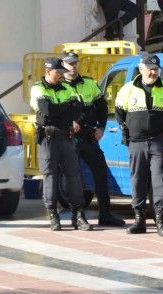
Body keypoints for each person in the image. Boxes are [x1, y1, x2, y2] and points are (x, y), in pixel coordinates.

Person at [115, 53, 163, 236]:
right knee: (137, 180)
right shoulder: (128, 89)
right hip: (136, 142)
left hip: (159, 142)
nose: (153, 72)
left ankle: (161, 220)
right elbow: (119, 111)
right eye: (150, 69)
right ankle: (139, 220)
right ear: (141, 69)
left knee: (160, 181)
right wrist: (126, 129)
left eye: (156, 69)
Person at [62, 52, 125, 227]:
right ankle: (78, 216)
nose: (73, 66)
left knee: (101, 172)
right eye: (69, 63)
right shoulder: (59, 86)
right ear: (63, 65)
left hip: (89, 137)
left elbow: (102, 107)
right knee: (75, 177)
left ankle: (105, 214)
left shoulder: (89, 83)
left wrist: (101, 127)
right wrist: (68, 123)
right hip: (70, 138)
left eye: (75, 63)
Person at [30, 57, 93, 231]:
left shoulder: (66, 87)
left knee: (73, 175)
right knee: (50, 175)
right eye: (58, 72)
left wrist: (58, 112)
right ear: (47, 72)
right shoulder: (38, 88)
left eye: (62, 73)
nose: (61, 76)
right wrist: (65, 109)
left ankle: (78, 214)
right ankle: (53, 214)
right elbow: (46, 110)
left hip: (66, 136)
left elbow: (77, 109)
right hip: (48, 138)